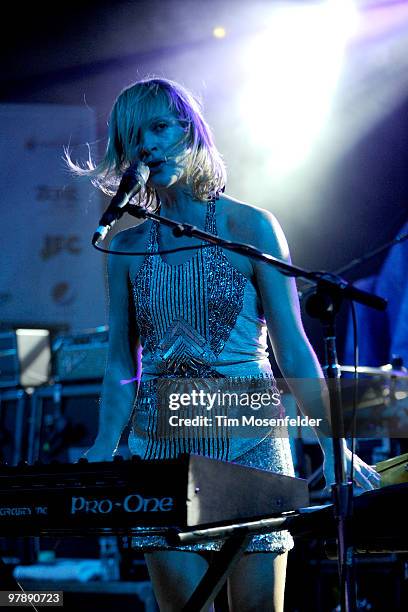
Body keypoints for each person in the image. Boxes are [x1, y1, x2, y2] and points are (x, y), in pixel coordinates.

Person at [68, 77, 381, 612]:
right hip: (161, 451)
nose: (147, 145)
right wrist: (104, 446)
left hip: (251, 447)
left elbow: (294, 349)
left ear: (191, 131)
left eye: (160, 127)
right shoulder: (123, 245)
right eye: (132, 135)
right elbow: (123, 359)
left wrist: (332, 444)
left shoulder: (251, 226)